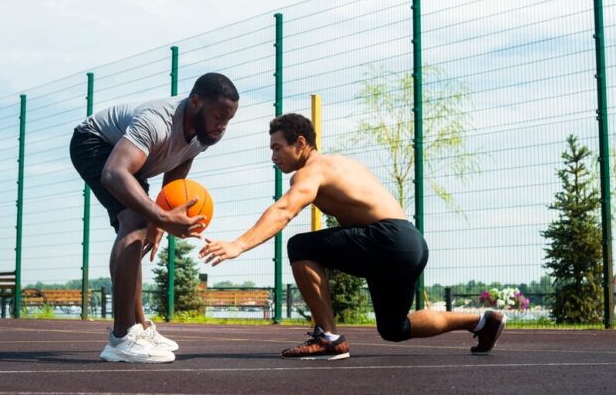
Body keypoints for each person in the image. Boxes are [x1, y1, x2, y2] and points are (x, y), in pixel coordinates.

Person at [199, 113, 505, 360]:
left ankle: (330, 338)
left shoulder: (311, 171)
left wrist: (238, 245)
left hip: (388, 238)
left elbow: (284, 210)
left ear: (300, 143)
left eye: (277, 147)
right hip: (410, 242)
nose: (273, 156)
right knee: (394, 328)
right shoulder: (341, 164)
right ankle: (481, 321)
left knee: (300, 245)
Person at [70, 73, 238, 363]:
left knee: (139, 224)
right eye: (219, 116)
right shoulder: (157, 120)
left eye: (228, 119)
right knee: (135, 220)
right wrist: (158, 215)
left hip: (130, 161)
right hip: (94, 143)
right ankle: (121, 338)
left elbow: (179, 167)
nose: (223, 125)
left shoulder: (208, 132)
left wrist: (159, 220)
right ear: (196, 102)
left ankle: (139, 328)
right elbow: (113, 173)